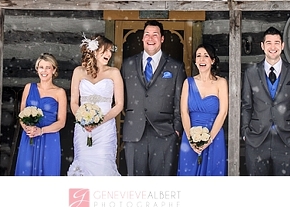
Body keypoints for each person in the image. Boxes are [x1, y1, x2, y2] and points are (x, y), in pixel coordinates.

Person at [121, 20, 186, 176]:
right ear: (142, 38)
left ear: (162, 39)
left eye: (155, 34)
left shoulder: (175, 66)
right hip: (134, 131)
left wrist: (177, 129)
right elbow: (120, 96)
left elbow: (179, 100)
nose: (150, 38)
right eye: (147, 34)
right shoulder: (128, 64)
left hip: (164, 133)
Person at [241, 26, 290, 176]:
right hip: (257, 138)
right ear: (262, 46)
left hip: (286, 139)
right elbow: (246, 106)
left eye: (276, 42)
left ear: (282, 45)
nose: (273, 47)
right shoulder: (251, 73)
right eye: (268, 43)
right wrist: (245, 132)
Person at [67, 35, 124, 176]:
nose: (109, 54)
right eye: (105, 50)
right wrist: (83, 121)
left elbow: (119, 104)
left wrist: (99, 121)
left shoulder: (114, 73)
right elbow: (74, 102)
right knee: (83, 162)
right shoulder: (78, 71)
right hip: (83, 128)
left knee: (104, 164)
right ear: (94, 51)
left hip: (105, 129)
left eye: (110, 51)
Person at [177, 43, 228, 176]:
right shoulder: (188, 83)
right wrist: (191, 140)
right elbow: (184, 112)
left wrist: (209, 139)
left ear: (212, 60)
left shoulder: (221, 83)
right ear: (195, 61)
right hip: (190, 135)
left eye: (206, 56)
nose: (202, 59)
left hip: (214, 136)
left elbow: (223, 113)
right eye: (198, 56)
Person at [14, 53, 67, 175]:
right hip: (30, 135)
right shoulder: (29, 87)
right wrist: (28, 129)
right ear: (37, 69)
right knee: (26, 171)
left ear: (54, 70)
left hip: (49, 137)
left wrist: (41, 131)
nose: (44, 71)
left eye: (48, 67)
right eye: (41, 67)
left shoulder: (60, 92)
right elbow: (21, 114)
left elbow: (61, 122)